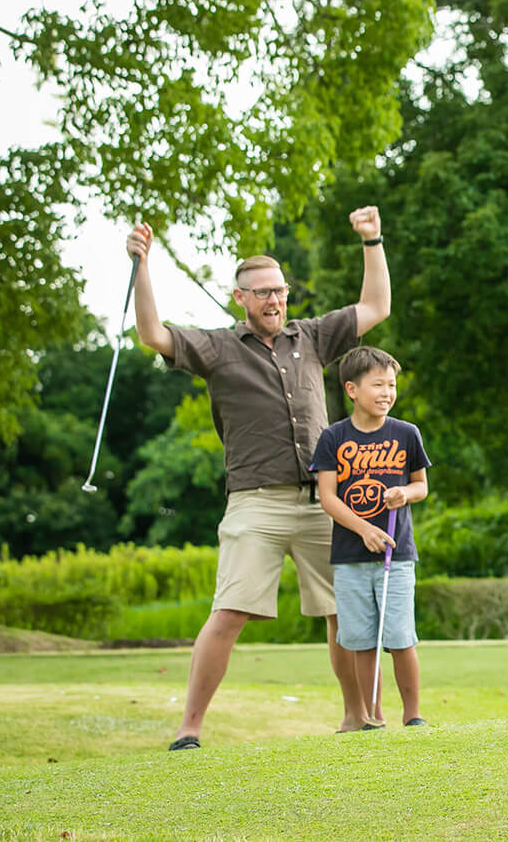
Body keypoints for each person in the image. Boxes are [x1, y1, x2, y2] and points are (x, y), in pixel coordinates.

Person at [126, 207, 391, 749]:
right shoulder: (218, 347)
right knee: (228, 612)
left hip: (326, 499)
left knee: (346, 611)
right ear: (241, 297)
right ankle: (190, 729)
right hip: (256, 501)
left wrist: (372, 240)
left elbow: (376, 305)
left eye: (281, 291)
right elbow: (152, 333)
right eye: (263, 292)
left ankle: (358, 718)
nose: (275, 300)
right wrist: (141, 265)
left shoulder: (312, 337)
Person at [312, 346, 431, 729]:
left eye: (391, 385)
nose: (387, 392)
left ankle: (412, 715)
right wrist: (364, 530)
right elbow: (327, 497)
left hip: (397, 556)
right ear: (352, 388)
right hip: (349, 556)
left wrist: (404, 494)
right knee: (362, 640)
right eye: (377, 384)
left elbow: (420, 486)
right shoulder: (333, 438)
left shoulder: (405, 434)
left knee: (399, 636)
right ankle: (372, 716)